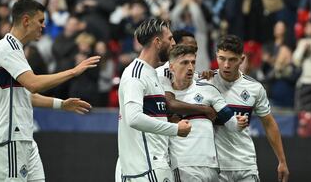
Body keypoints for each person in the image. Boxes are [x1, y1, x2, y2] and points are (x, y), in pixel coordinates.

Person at [0, 0, 100, 182]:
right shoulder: (7, 48)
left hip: (23, 137)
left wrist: (62, 104)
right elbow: (33, 84)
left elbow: (26, 96)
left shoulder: (17, 50)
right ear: (26, 21)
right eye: (40, 20)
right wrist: (73, 71)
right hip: (9, 137)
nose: (43, 25)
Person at [117, 18, 192, 182]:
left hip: (155, 164)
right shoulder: (135, 74)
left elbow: (148, 115)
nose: (174, 43)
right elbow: (134, 118)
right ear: (157, 42)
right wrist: (175, 129)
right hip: (145, 169)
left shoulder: (152, 73)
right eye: (170, 38)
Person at [208, 34, 289, 182]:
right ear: (216, 56)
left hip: (246, 165)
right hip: (215, 167)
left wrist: (282, 161)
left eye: (232, 59)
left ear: (242, 59)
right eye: (222, 58)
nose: (226, 65)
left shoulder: (254, 88)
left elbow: (269, 123)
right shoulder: (205, 83)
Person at [167, 44, 247, 182]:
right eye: (184, 63)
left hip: (212, 167)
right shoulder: (166, 95)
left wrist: (239, 123)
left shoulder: (208, 89)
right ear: (171, 67)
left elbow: (231, 122)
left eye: (193, 62)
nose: (190, 67)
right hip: (184, 165)